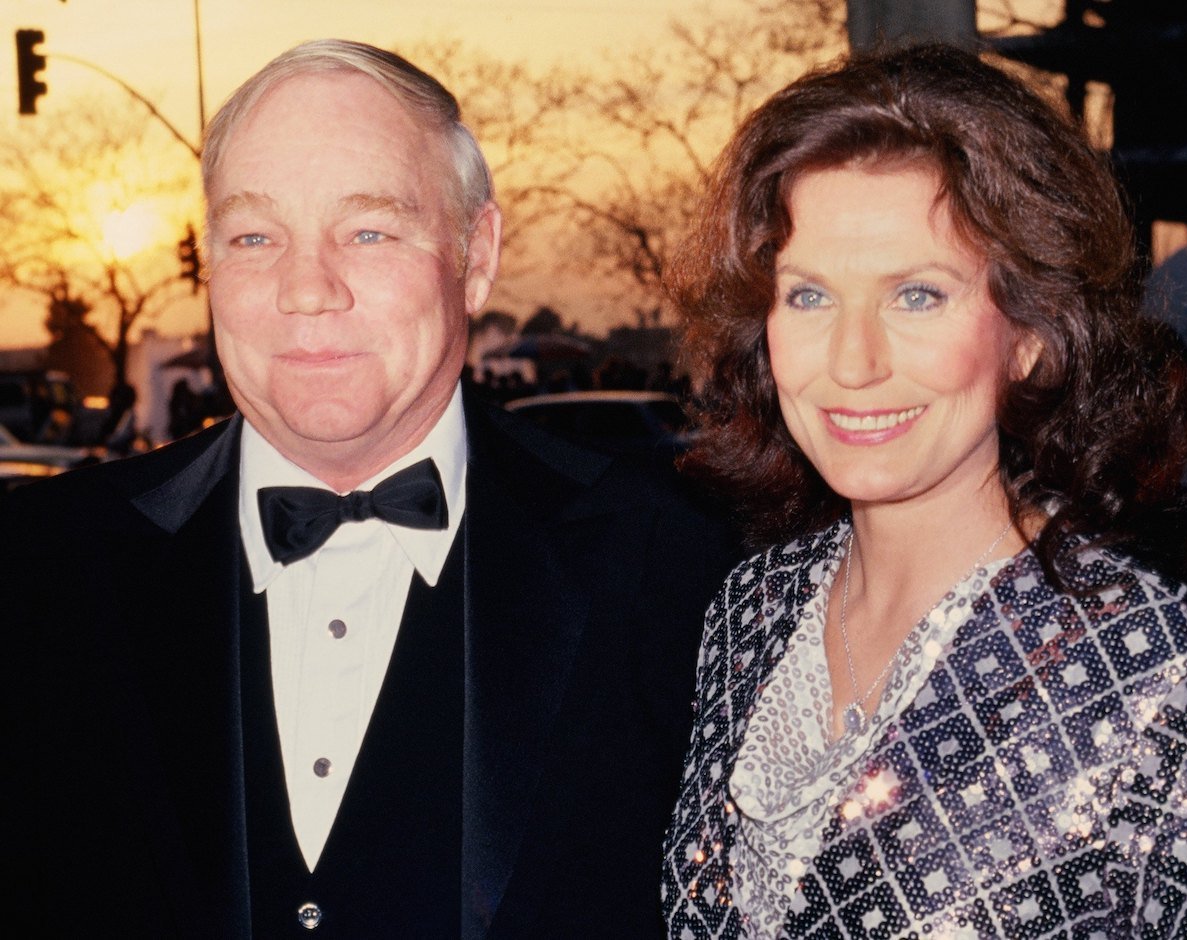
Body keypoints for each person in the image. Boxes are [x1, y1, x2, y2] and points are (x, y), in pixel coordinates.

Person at [1, 40, 733, 937]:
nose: (307, 290)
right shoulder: (37, 568)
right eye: (255, 236)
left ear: (476, 254)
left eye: (370, 231)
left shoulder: (679, 562)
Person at [661, 45, 1187, 938]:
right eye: (808, 297)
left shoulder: (1163, 681)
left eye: (917, 295)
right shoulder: (750, 611)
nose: (852, 361)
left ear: (1031, 334)